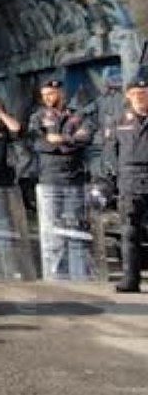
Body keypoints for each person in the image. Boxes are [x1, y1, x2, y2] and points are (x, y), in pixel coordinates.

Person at [28, 78, 96, 279]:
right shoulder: (37, 117)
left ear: (61, 93)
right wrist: (68, 144)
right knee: (52, 228)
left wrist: (63, 140)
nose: (48, 98)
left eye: (52, 93)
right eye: (45, 95)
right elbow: (37, 143)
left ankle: (79, 272)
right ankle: (55, 272)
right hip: (50, 179)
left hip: (75, 178)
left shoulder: (77, 114)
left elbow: (87, 137)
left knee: (76, 227)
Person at [104, 75, 148, 293]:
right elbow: (110, 154)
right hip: (129, 182)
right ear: (129, 96)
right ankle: (131, 279)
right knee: (130, 233)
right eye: (136, 94)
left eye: (145, 94)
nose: (141, 98)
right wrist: (114, 180)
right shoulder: (118, 121)